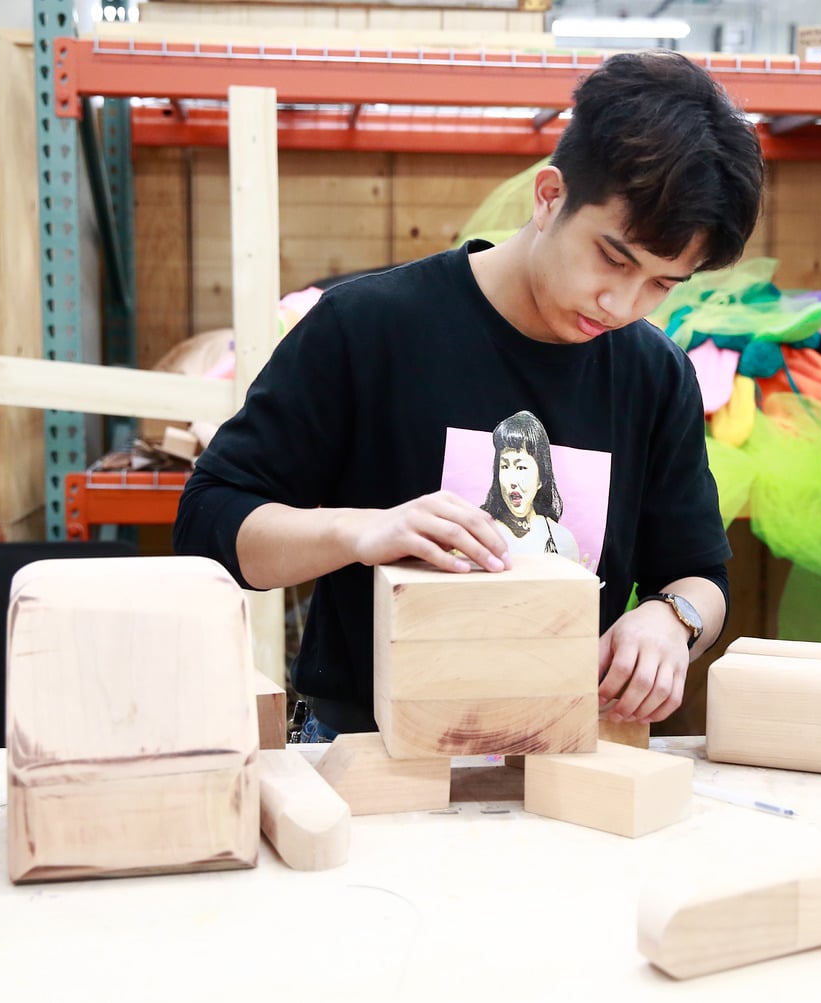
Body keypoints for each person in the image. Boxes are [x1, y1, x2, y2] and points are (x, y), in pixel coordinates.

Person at [174, 49, 764, 738]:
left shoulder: (654, 373)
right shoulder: (368, 327)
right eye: (613, 257)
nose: (621, 302)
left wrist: (673, 620)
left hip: (560, 749)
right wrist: (358, 529)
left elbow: (699, 578)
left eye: (662, 283)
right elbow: (209, 523)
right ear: (549, 197)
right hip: (371, 750)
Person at [481, 410, 581, 564]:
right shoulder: (481, 532)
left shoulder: (560, 538)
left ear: (541, 478)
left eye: (521, 467)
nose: (512, 480)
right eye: (505, 466)